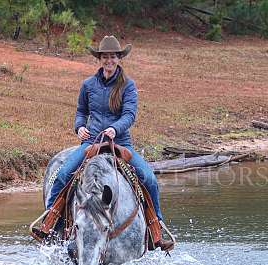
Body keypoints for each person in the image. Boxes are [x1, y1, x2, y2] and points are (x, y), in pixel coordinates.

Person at [43, 35, 174, 251]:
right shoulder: (88, 85)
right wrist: (79, 127)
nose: (109, 60)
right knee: (64, 173)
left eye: (113, 56)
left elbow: (129, 114)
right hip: (92, 142)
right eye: (105, 57)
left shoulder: (128, 86)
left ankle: (156, 228)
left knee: (149, 178)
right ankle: (49, 222)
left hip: (120, 144)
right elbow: (81, 111)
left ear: (119, 58)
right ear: (100, 58)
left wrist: (115, 128)